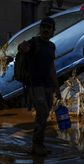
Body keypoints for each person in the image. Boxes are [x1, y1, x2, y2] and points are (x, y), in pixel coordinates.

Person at [18, 17, 61, 156]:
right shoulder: (34, 42)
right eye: (44, 26)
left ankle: (39, 145)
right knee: (42, 113)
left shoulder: (51, 46)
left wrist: (57, 88)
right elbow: (23, 48)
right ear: (40, 28)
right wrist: (22, 47)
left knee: (44, 115)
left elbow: (51, 68)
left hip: (48, 85)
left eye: (49, 27)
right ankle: (36, 145)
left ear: (53, 31)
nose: (46, 29)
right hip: (35, 85)